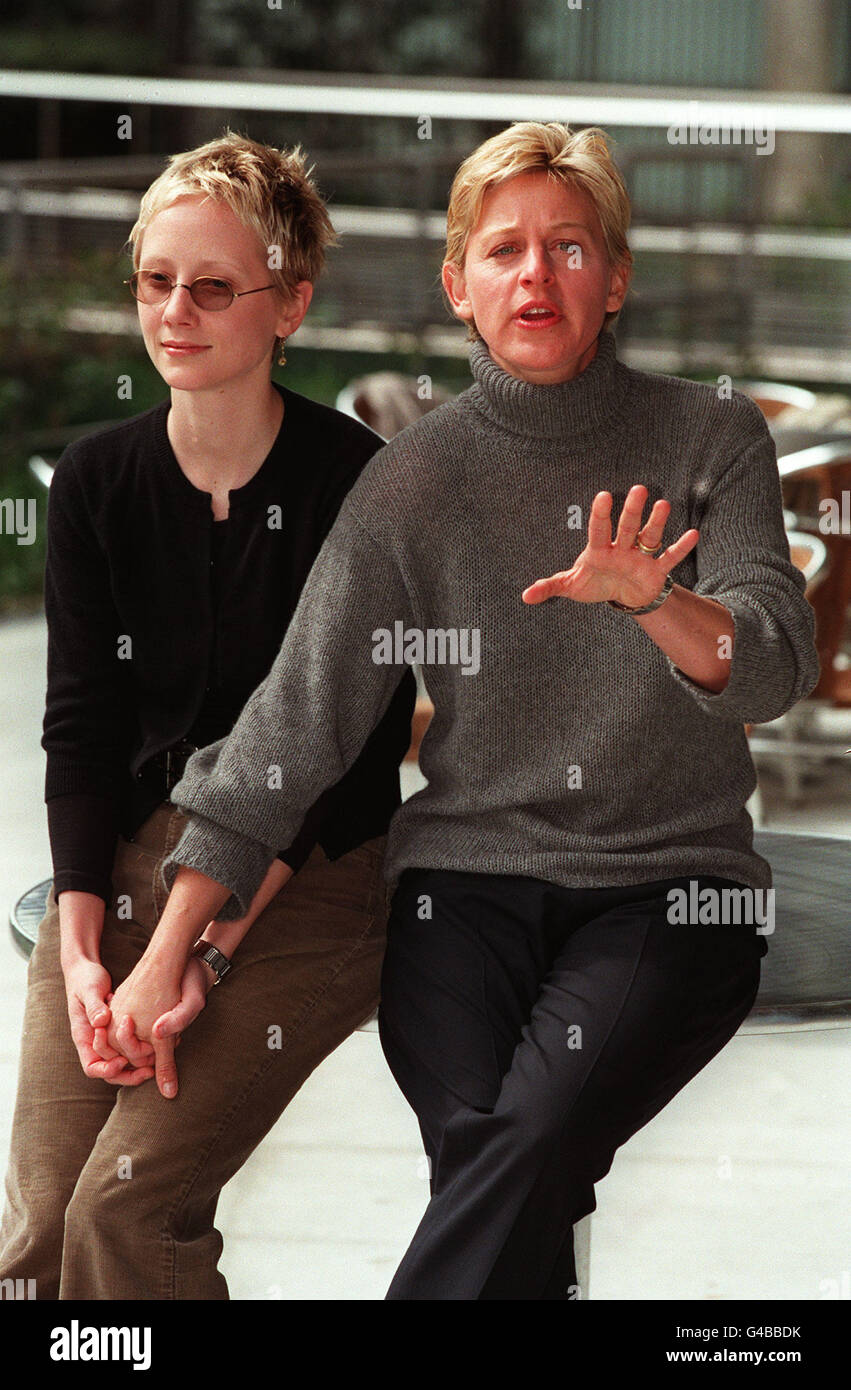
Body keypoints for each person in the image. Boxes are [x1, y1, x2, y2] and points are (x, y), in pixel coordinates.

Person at [98, 122, 820, 1300]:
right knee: (500, 1163)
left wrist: (657, 604)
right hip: (461, 891)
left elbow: (775, 665)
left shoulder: (711, 437)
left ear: (615, 278)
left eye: (569, 248)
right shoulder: (413, 479)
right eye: (503, 251)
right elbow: (298, 722)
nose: (534, 276)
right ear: (457, 285)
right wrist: (171, 949)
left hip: (669, 885)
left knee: (519, 1141)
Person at [0, 131, 415, 1300]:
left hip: (312, 882)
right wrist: (83, 956)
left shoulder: (357, 486)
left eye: (213, 286)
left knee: (126, 1211)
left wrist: (202, 958)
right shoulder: (94, 482)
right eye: (155, 281)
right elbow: (79, 727)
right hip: (133, 864)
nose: (174, 311)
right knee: (36, 1246)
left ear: (288, 304)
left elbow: (347, 764)